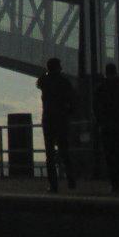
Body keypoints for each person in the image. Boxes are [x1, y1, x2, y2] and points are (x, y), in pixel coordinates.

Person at [37, 57, 76, 192]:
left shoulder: (44, 81)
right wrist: (69, 112)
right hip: (61, 119)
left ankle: (53, 185)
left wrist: (45, 72)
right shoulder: (64, 81)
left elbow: (39, 82)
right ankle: (71, 180)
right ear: (58, 67)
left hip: (48, 119)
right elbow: (72, 99)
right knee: (64, 151)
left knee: (50, 154)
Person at [95, 62, 119, 193]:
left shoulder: (100, 89)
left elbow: (96, 107)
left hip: (106, 126)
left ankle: (113, 183)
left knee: (109, 155)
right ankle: (118, 182)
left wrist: (99, 121)